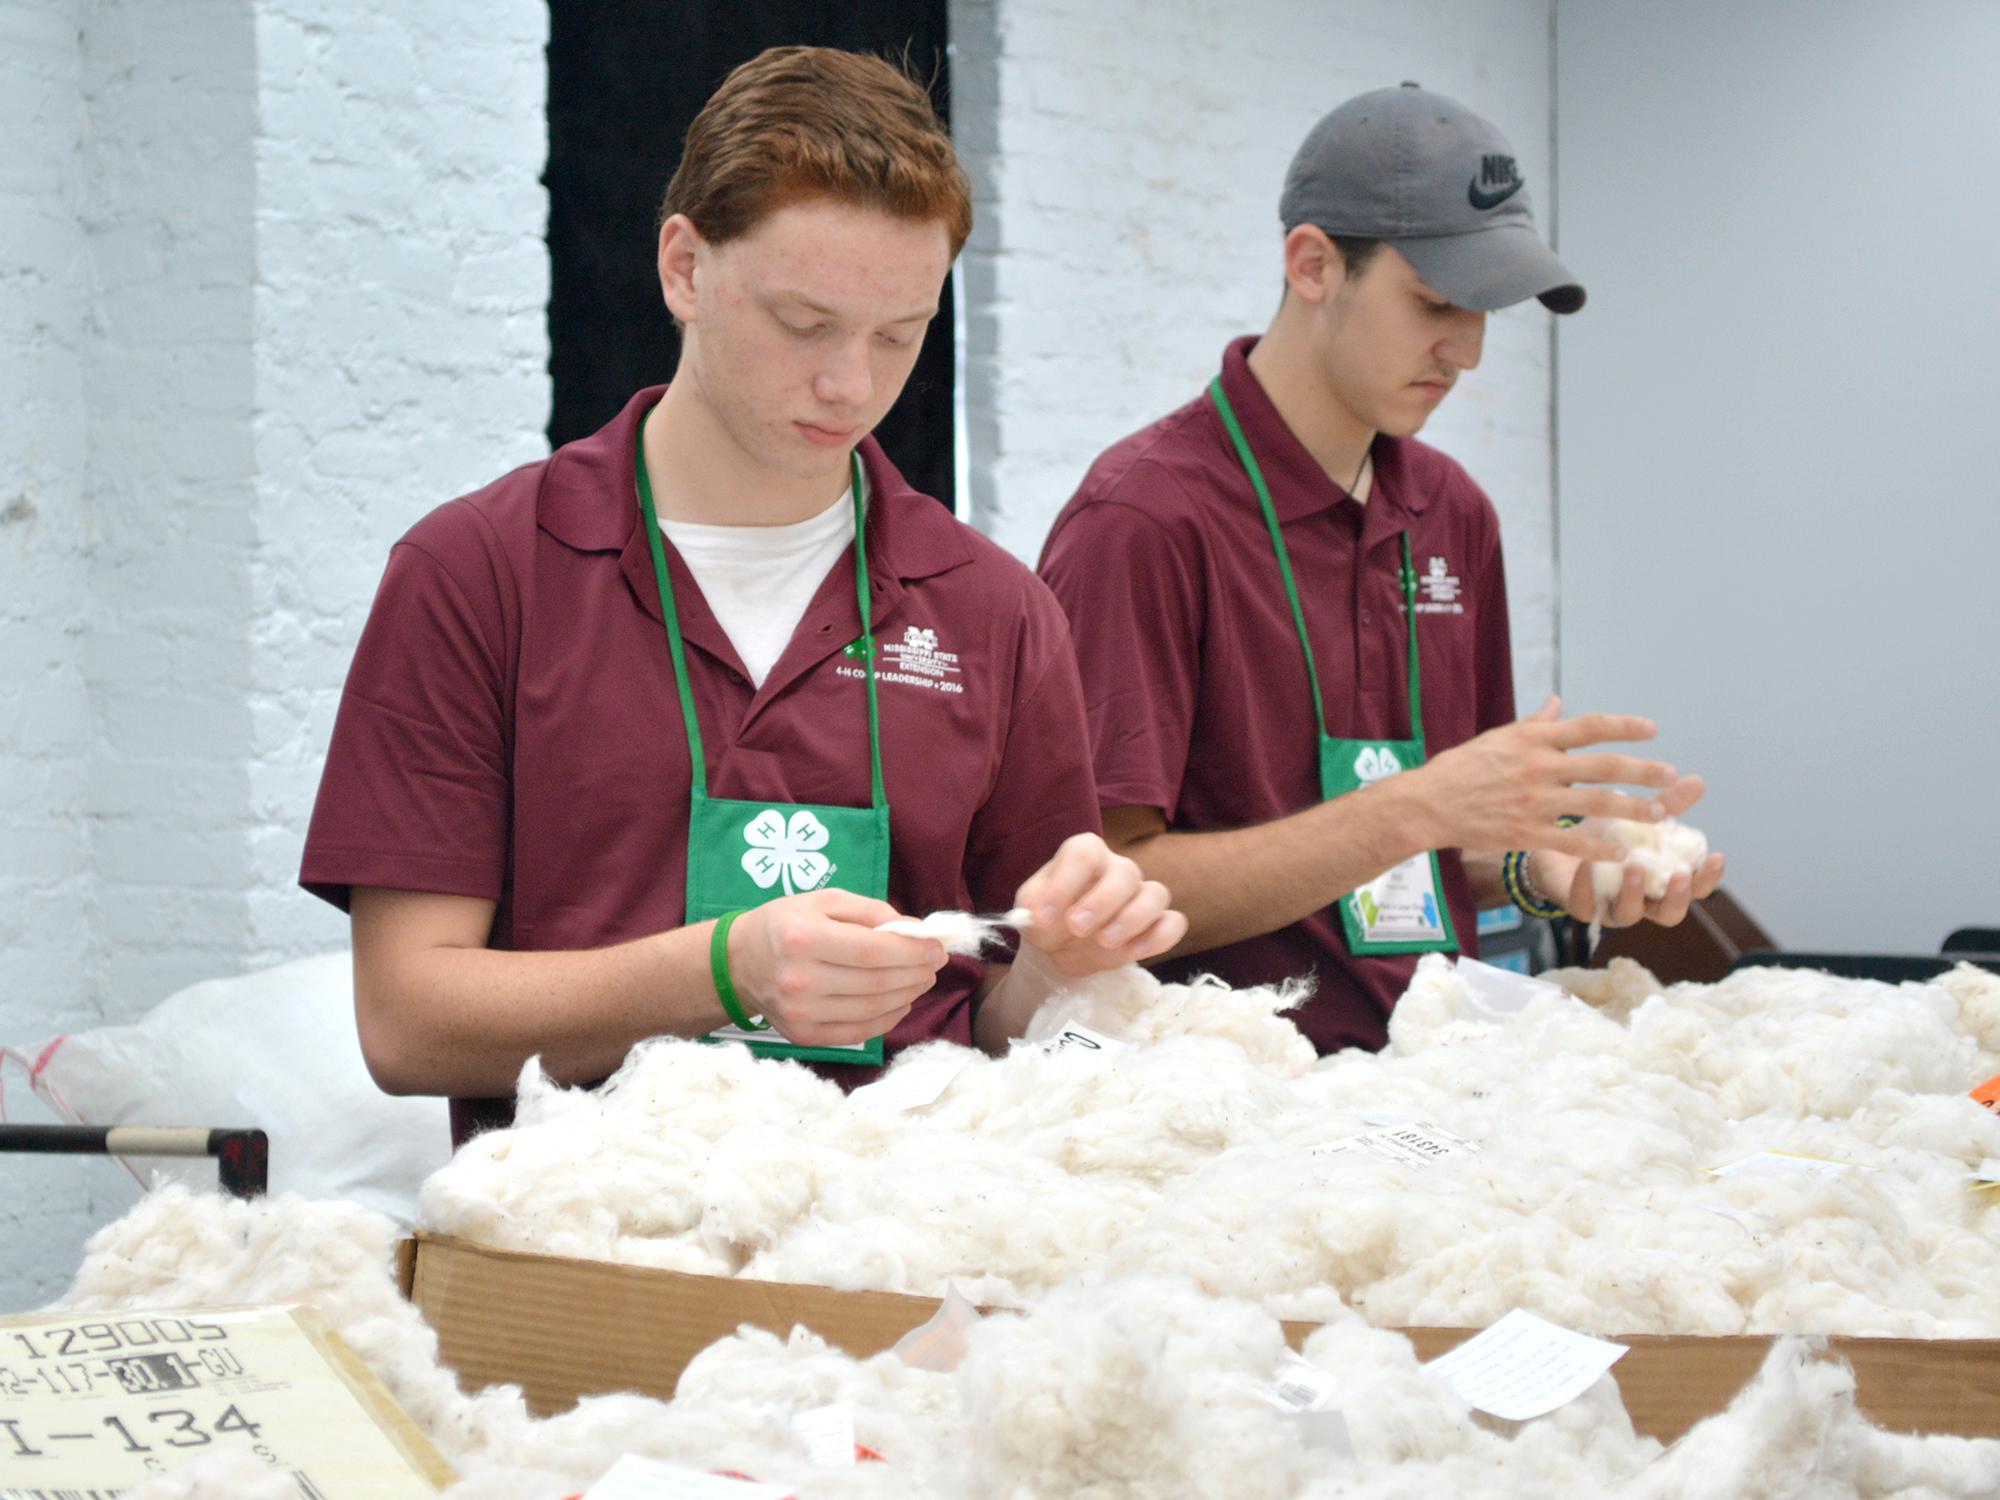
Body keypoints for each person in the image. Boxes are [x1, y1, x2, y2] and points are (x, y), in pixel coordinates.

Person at [301, 46, 1184, 1144]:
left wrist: (1057, 964)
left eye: (898, 335)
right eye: (804, 324)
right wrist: (726, 969)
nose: (850, 384)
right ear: (683, 267)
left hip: (902, 1233)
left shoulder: (992, 610)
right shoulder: (480, 573)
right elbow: (404, 1024)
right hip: (580, 1240)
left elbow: (1009, 1030)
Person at [1038, 83, 1724, 1054]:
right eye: (1435, 303)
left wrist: (1556, 867)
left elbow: (1452, 846)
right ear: (1312, 264)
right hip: (1229, 1101)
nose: (1468, 351)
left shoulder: (1452, 513)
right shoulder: (1144, 517)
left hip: (1436, 1074)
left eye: (1488, 311)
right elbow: (1096, 897)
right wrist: (1409, 806)